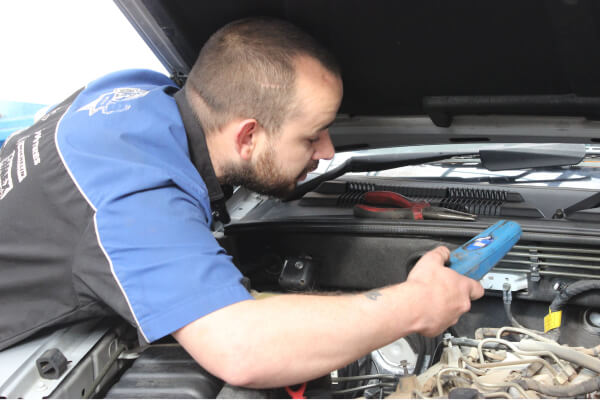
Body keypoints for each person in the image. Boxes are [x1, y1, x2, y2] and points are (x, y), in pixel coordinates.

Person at [0, 17, 483, 388]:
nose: (329, 152)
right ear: (248, 136)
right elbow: (242, 349)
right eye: (312, 136)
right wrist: (416, 306)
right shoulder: (135, 198)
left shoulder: (135, 90)